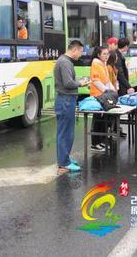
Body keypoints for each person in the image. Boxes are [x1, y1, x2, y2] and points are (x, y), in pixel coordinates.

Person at [54, 40, 89, 173]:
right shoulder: (65, 62)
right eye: (80, 52)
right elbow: (68, 83)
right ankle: (64, 163)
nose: (81, 55)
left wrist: (78, 81)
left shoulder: (64, 61)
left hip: (66, 99)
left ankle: (65, 158)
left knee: (66, 131)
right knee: (65, 132)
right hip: (66, 100)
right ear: (74, 50)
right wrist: (81, 83)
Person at [89, 46, 114, 152]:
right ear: (98, 55)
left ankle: (101, 141)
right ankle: (95, 143)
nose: (106, 56)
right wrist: (107, 91)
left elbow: (107, 81)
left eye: (107, 54)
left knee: (103, 119)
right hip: (97, 96)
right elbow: (96, 81)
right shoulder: (95, 64)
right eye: (104, 54)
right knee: (97, 119)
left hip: (104, 96)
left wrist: (113, 91)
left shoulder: (103, 64)